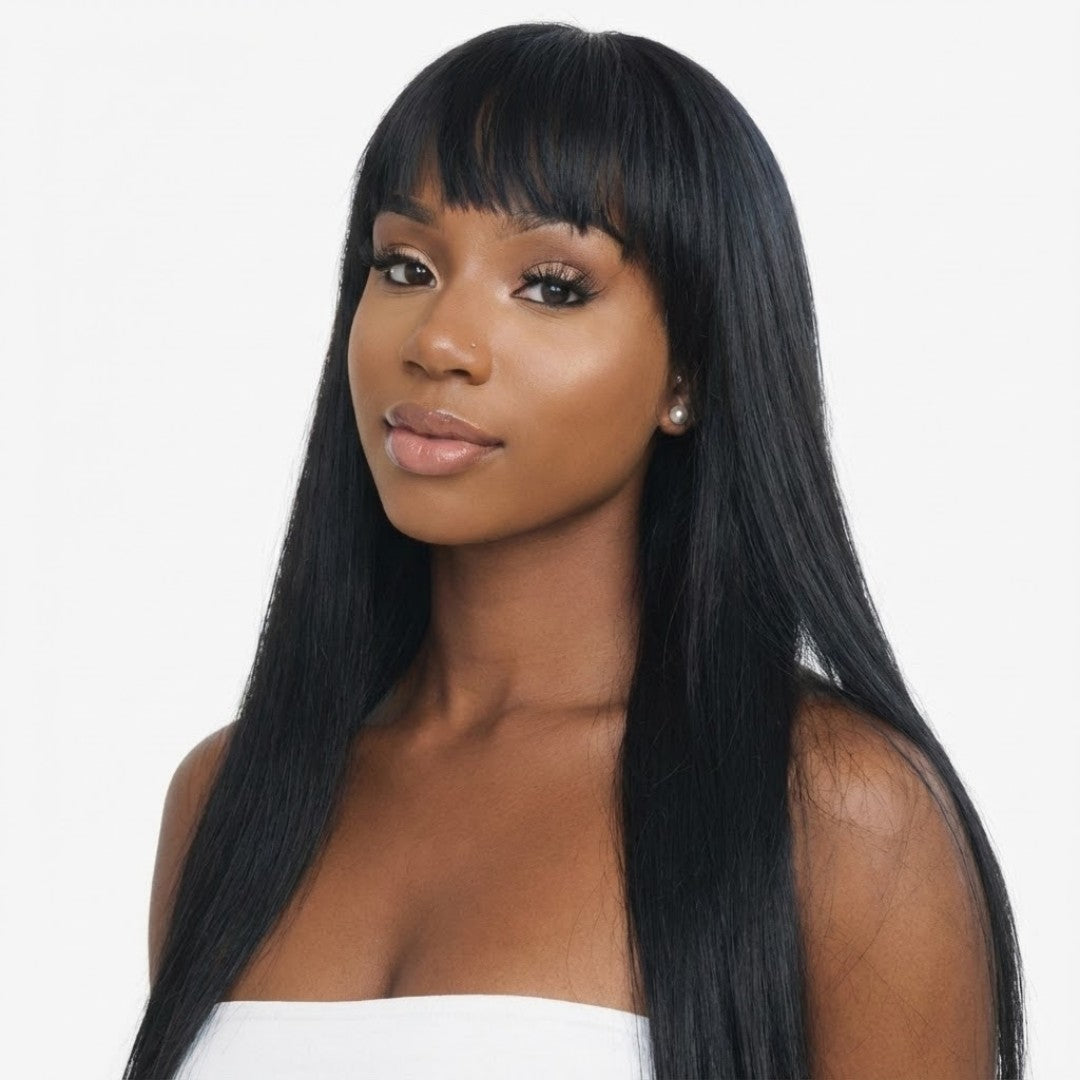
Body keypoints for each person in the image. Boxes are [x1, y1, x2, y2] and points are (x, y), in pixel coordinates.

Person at [123, 21, 1026, 1079]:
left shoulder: (836, 811)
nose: (438, 341)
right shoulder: (229, 799)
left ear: (689, 372)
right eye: (405, 265)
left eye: (551, 285)